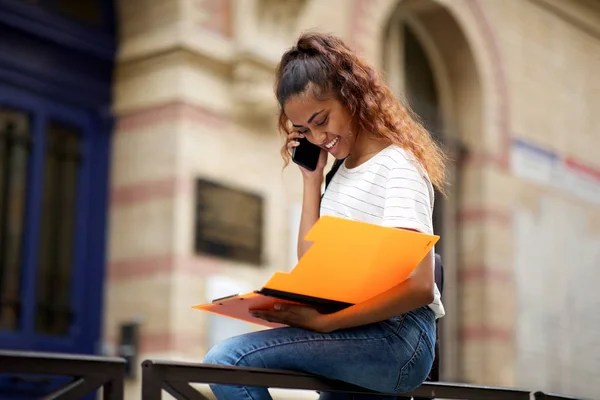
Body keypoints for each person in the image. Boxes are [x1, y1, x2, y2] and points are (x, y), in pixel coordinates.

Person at [203, 31, 447, 400]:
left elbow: (419, 286)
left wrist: (326, 323)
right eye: (304, 130)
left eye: (322, 119)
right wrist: (312, 180)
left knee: (227, 360)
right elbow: (312, 261)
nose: (318, 138)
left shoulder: (397, 166)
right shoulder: (337, 174)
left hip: (396, 338)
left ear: (352, 95)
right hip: (353, 328)